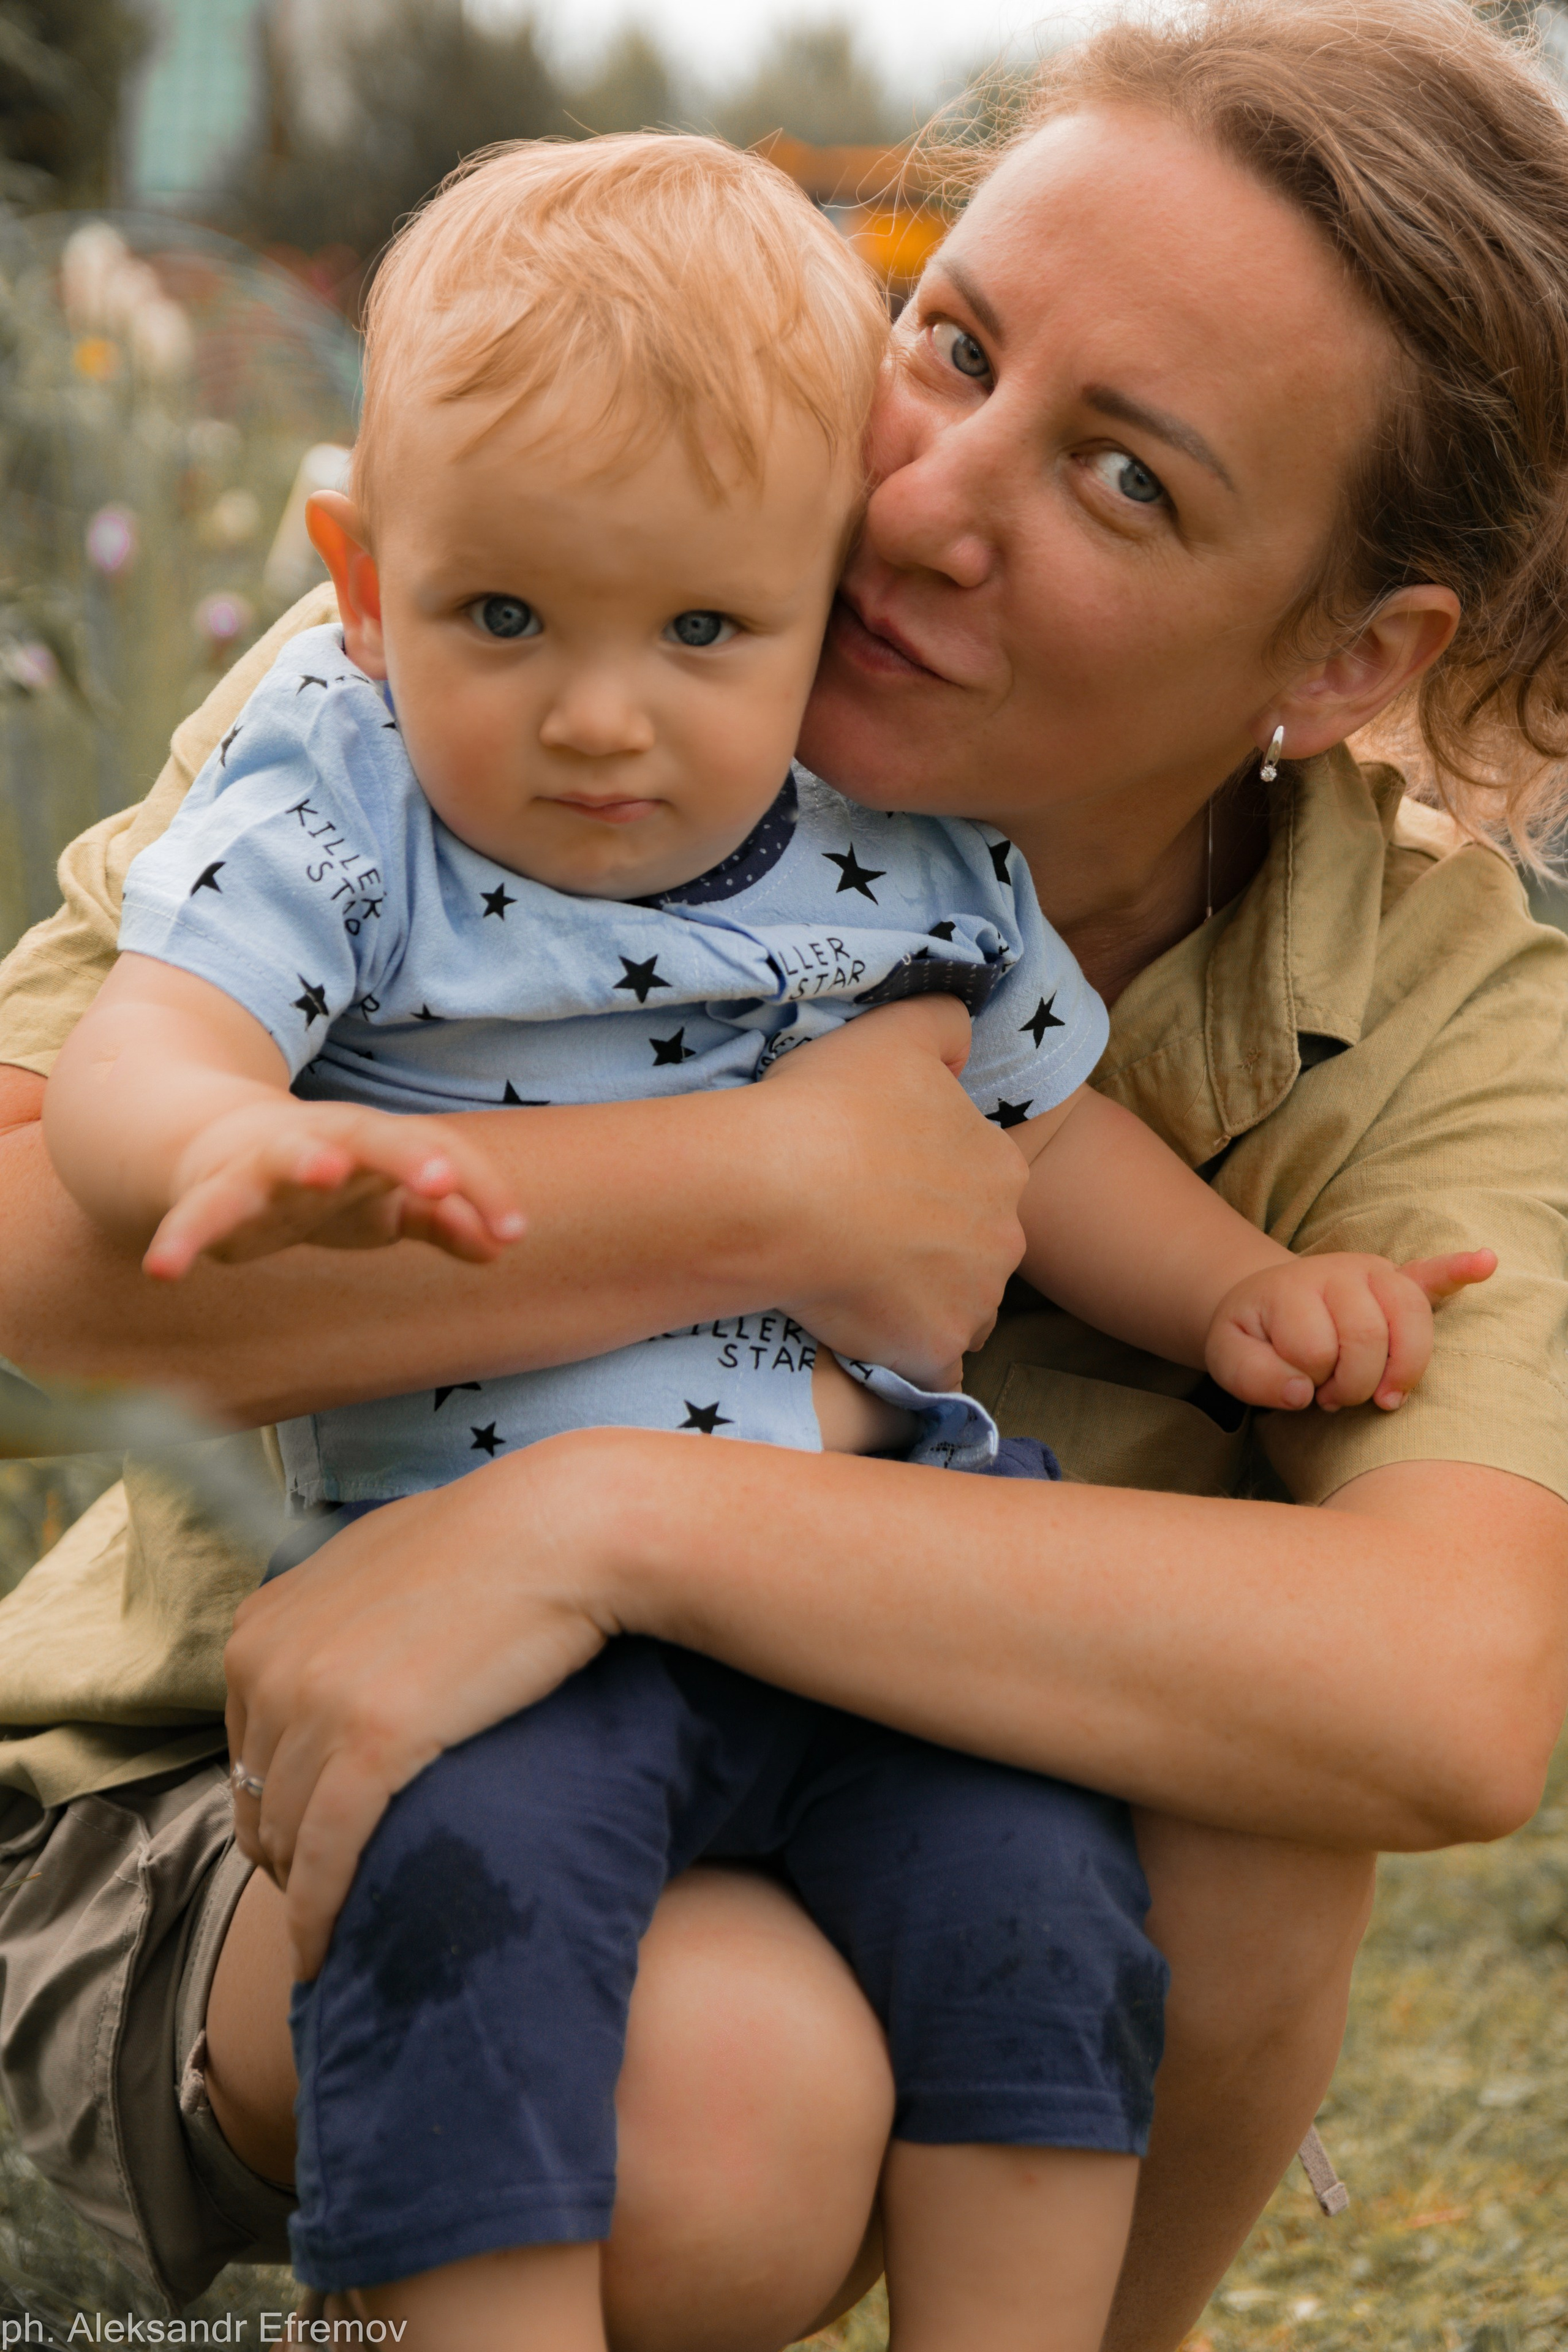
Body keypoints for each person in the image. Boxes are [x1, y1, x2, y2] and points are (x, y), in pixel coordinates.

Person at [1, 0, 1567, 2344]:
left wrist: (610, 1527)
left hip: (834, 1770)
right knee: (723, 2108)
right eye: (953, 345)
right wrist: (770, 1189)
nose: (921, 504)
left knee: (1253, 1803)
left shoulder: (1439, 1004)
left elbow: (1446, 1692)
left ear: (1350, 656)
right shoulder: (490, 672)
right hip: (222, 1802)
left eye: (1126, 477)